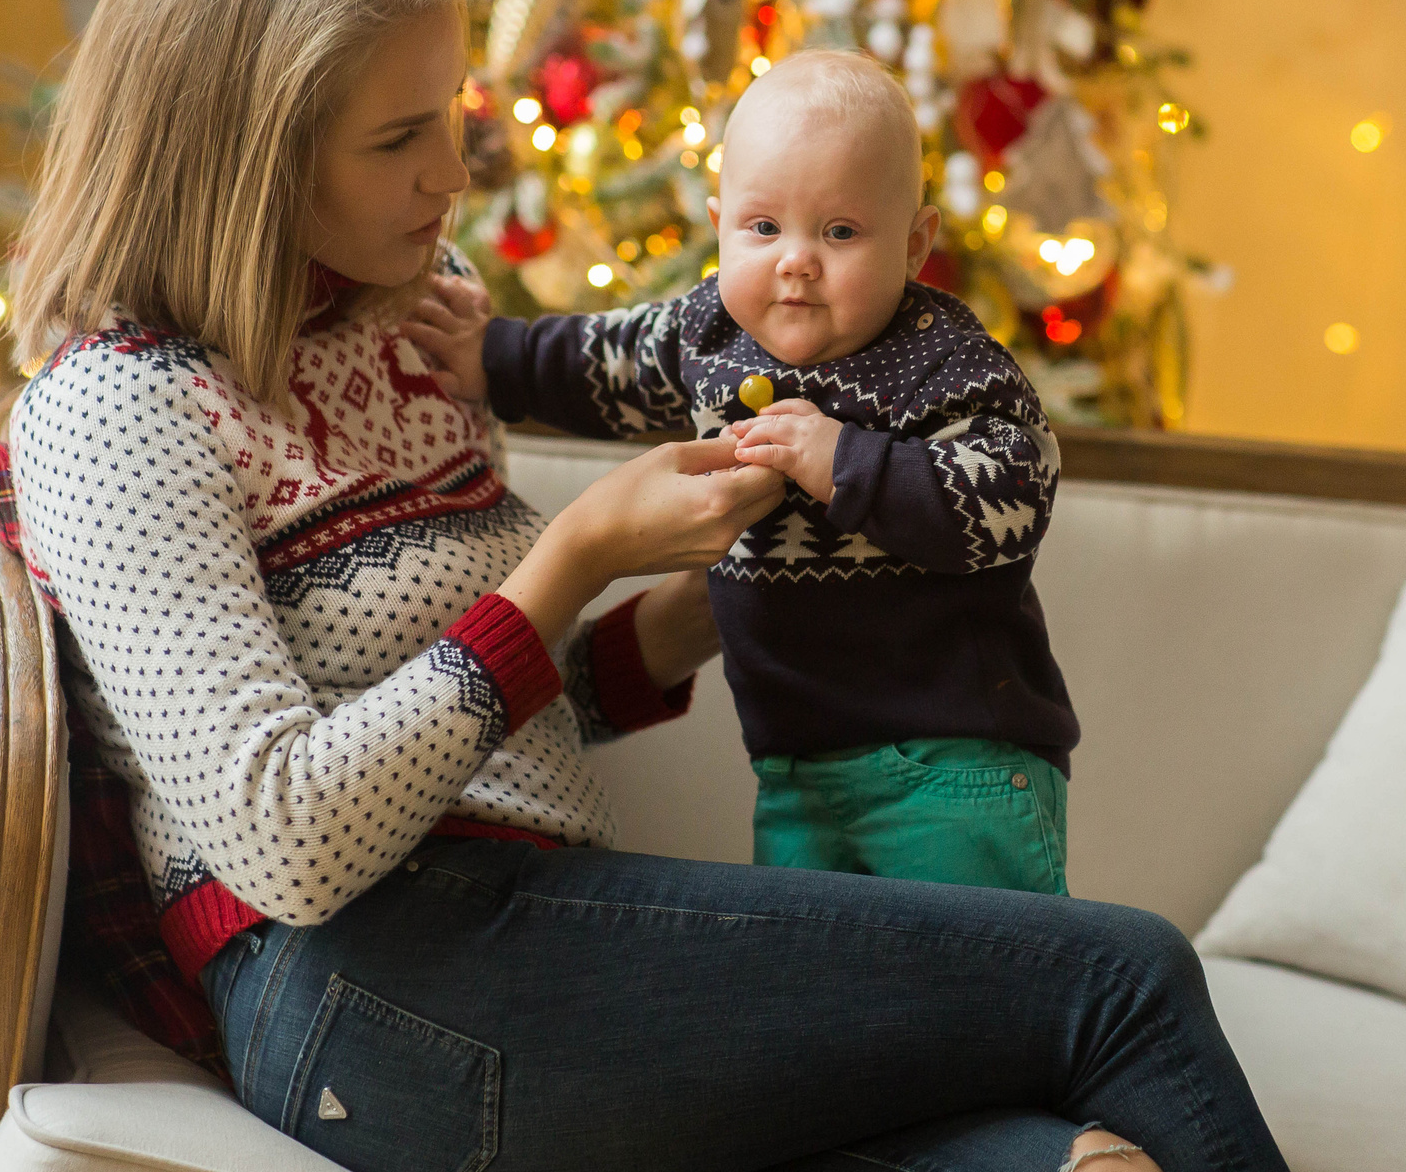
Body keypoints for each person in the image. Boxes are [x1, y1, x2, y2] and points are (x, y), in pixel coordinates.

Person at [4, 0, 1364, 1172]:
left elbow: (490, 711)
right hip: (371, 984)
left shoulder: (408, 320)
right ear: (248, 162)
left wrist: (745, 583)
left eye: (451, 110)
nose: (451, 173)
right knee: (1122, 977)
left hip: (539, 946)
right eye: (400, 136)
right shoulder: (114, 411)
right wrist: (581, 549)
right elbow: (290, 837)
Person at [408, 49, 1076, 896]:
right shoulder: (709, 335)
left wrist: (847, 461)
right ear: (720, 224)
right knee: (810, 1004)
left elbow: (1016, 494)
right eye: (764, 228)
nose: (796, 259)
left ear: (914, 245)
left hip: (952, 760)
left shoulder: (941, 361)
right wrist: (493, 359)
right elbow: (604, 361)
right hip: (796, 768)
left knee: (988, 990)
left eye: (840, 232)